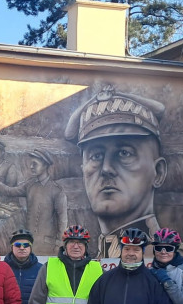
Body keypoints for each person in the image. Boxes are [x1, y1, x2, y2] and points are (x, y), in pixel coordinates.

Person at [64, 90, 168, 258]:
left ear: (158, 172)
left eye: (124, 153)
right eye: (96, 156)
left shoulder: (168, 258)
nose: (106, 169)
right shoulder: (88, 262)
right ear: (82, 170)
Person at [26, 225, 103, 304]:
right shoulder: (49, 267)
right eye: (72, 242)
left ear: (86, 246)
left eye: (80, 243)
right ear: (65, 245)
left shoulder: (97, 270)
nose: (76, 246)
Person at [0, 151, 67, 254]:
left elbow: (62, 221)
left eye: (35, 164)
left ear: (45, 165)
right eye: (30, 163)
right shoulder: (30, 185)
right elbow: (9, 191)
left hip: (48, 247)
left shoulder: (56, 190)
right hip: (28, 245)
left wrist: (60, 245)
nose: (31, 167)